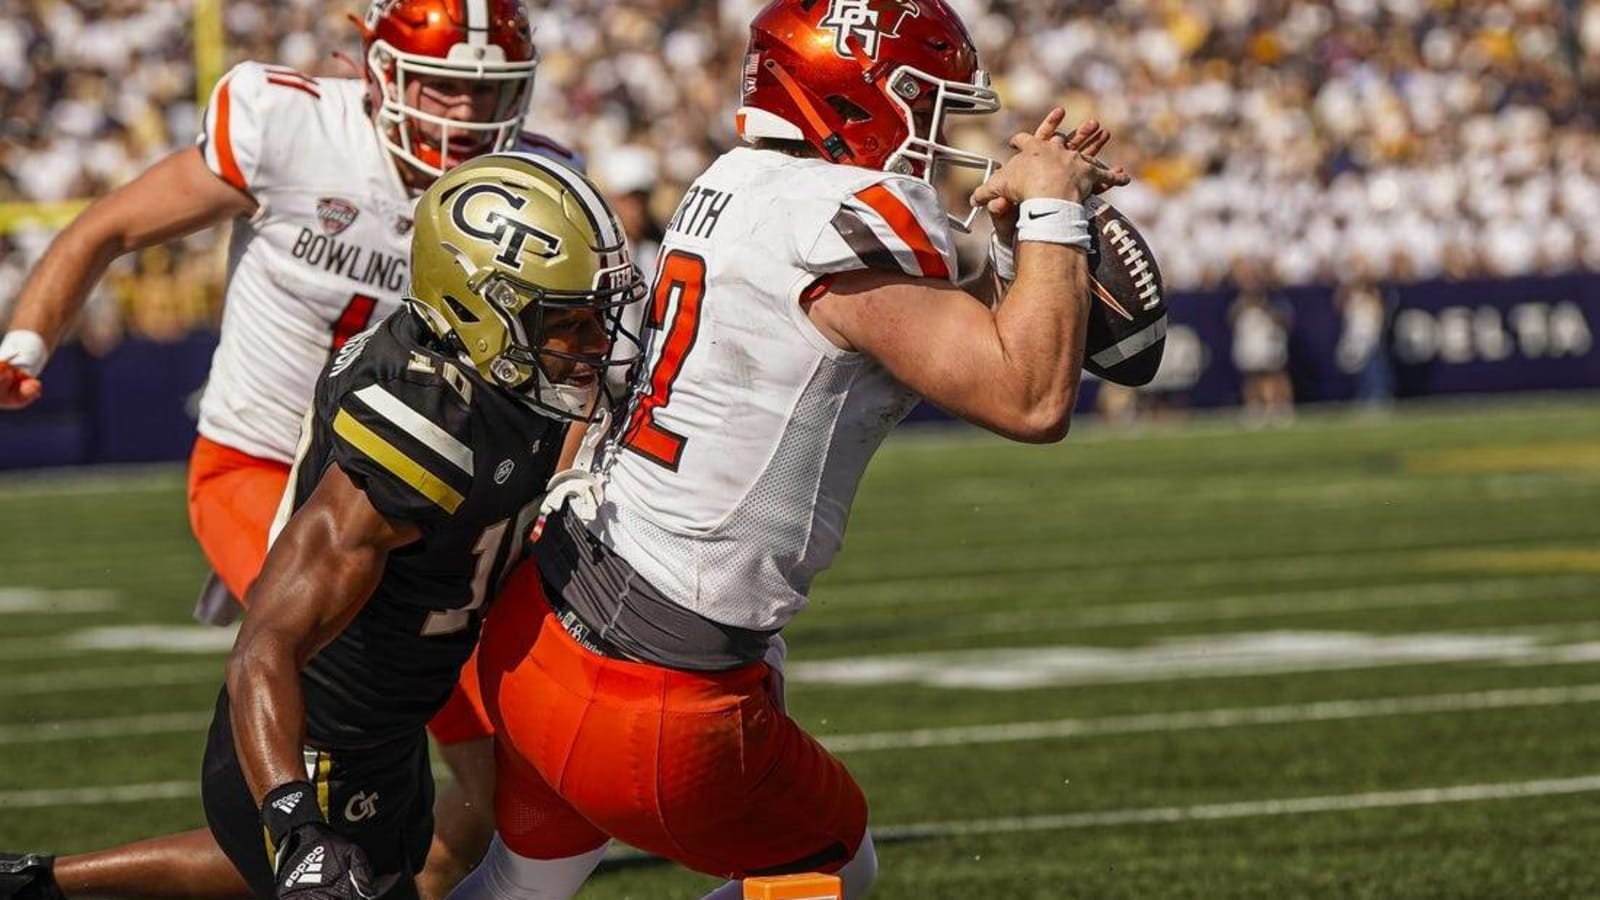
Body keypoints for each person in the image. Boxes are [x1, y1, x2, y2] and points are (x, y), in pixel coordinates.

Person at [450, 2, 1130, 899]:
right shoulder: (843, 216)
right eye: (922, 104)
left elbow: (946, 330)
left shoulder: (739, 180)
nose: (936, 136)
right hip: (654, 690)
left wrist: (1023, 248)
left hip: (545, 618)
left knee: (521, 883)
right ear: (852, 99)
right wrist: (1052, 213)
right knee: (833, 861)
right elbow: (1031, 396)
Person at [0, 2, 572, 896]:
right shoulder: (291, 128)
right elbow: (104, 227)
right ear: (378, 72)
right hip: (260, 462)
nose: (461, 118)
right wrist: (26, 342)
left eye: (484, 94)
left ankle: (46, 884)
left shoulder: (521, 194)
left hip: (421, 486)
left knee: (489, 767)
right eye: (439, 90)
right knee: (371, 736)